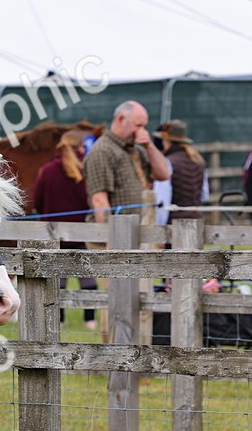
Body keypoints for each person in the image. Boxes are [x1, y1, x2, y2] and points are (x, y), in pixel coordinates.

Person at [33, 129, 97, 329]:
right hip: (80, 232)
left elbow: (38, 200)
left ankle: (58, 320)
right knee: (87, 276)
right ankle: (90, 320)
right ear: (80, 147)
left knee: (57, 279)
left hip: (53, 233)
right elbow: (90, 201)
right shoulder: (86, 171)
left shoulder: (46, 170)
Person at [84, 100, 171, 222]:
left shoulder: (137, 149)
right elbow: (99, 200)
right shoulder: (102, 151)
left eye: (144, 126)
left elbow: (164, 174)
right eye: (138, 126)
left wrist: (150, 146)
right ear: (121, 119)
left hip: (140, 230)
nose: (142, 131)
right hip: (119, 233)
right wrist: (109, 238)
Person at [159, 120, 209, 221]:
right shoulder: (198, 160)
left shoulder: (168, 162)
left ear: (166, 140)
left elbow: (163, 200)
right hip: (197, 220)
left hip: (175, 223)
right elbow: (204, 195)